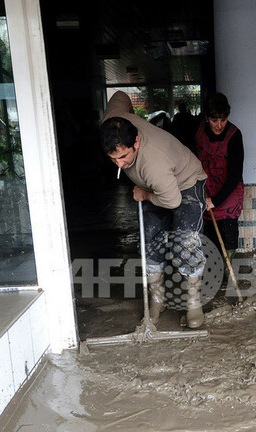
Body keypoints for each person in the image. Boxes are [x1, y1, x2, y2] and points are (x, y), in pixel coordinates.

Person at [101, 91, 208, 328]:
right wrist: (131, 115)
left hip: (185, 182)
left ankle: (193, 302)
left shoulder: (153, 162)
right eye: (113, 159)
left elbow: (172, 201)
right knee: (149, 241)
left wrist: (146, 195)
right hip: (154, 184)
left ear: (136, 142)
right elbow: (120, 94)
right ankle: (158, 300)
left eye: (123, 157)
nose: (119, 164)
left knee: (185, 243)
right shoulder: (112, 121)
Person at [194, 92, 244, 262]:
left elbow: (235, 175)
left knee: (228, 239)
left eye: (223, 119)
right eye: (214, 120)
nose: (219, 125)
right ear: (206, 118)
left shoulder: (234, 135)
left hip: (229, 194)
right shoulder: (199, 132)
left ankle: (226, 274)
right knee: (210, 240)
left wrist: (215, 201)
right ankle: (213, 270)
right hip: (206, 191)